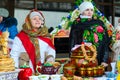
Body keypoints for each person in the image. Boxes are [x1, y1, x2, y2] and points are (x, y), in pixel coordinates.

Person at [10, 9, 56, 73]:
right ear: (29, 21)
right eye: (34, 19)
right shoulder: (20, 37)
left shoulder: (46, 36)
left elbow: (50, 51)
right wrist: (15, 70)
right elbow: (14, 54)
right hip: (26, 71)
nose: (37, 20)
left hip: (44, 71)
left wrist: (50, 59)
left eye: (39, 19)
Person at [69, 1, 111, 67]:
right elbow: (72, 42)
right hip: (81, 58)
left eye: (91, 10)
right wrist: (71, 58)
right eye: (87, 10)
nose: (89, 12)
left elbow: (104, 43)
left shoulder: (99, 23)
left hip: (98, 56)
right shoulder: (76, 23)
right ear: (82, 11)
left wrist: (104, 60)